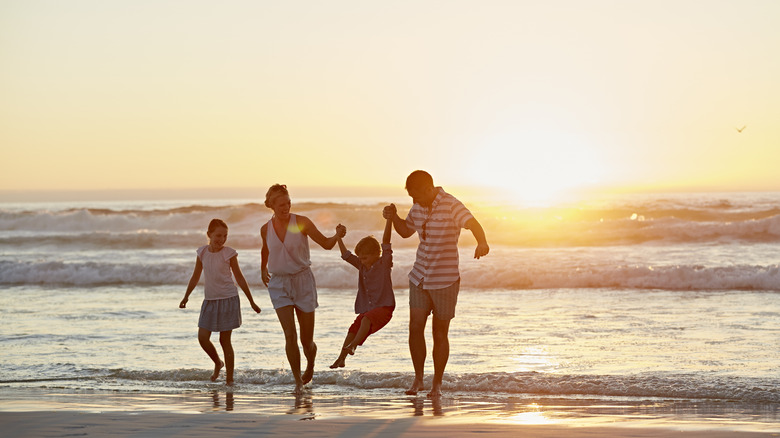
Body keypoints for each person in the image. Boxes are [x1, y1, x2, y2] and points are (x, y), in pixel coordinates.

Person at [383, 170, 489, 398]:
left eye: (416, 196)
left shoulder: (452, 205)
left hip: (445, 280)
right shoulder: (418, 207)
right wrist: (393, 218)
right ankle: (418, 379)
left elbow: (473, 223)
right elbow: (404, 231)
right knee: (414, 328)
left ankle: (437, 384)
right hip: (419, 276)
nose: (414, 201)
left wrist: (482, 242)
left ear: (429, 189)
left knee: (439, 333)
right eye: (411, 197)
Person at [260, 184, 346, 394]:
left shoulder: (301, 222)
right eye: (281, 204)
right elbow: (266, 248)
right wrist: (263, 268)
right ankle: (298, 382)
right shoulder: (265, 228)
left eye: (288, 202)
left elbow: (326, 244)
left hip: (303, 282)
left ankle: (310, 365)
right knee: (290, 335)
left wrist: (337, 236)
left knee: (306, 341)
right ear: (271, 205)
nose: (286, 207)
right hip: (279, 284)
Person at [180, 218, 262, 386]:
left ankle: (230, 380)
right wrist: (186, 296)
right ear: (209, 234)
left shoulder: (229, 253)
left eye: (225, 236)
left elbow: (239, 277)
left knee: (225, 341)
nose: (221, 239)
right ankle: (218, 362)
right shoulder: (202, 253)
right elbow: (196, 276)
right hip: (210, 300)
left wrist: (251, 301)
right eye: (218, 235)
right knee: (203, 337)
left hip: (228, 299)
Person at [329, 216, 395, 369]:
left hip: (384, 309)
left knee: (365, 319)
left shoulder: (384, 264)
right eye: (360, 258)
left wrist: (389, 220)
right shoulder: (361, 265)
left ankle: (353, 346)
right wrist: (338, 237)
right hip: (370, 310)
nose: (362, 261)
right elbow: (346, 255)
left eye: (365, 258)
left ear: (376, 254)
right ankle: (341, 358)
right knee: (353, 328)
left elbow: (386, 242)